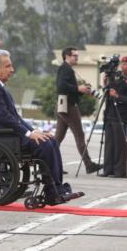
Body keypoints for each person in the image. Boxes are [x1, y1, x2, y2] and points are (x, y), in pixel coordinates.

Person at [0, 49, 81, 204]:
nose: (12, 70)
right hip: (0, 136)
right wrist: (28, 134)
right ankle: (52, 191)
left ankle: (56, 188)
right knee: (44, 144)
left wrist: (33, 131)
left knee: (50, 140)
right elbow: (3, 117)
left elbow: (15, 118)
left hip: (9, 134)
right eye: (8, 66)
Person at [55, 47, 101, 175]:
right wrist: (78, 88)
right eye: (74, 55)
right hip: (68, 106)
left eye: (77, 55)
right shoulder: (65, 69)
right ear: (67, 56)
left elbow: (69, 90)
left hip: (63, 105)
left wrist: (82, 91)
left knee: (57, 138)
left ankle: (51, 165)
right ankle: (89, 164)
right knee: (80, 136)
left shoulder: (66, 68)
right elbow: (61, 87)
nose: (77, 57)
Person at [100, 56, 127, 178]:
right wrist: (105, 83)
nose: (124, 67)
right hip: (110, 113)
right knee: (109, 143)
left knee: (120, 144)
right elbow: (107, 93)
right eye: (123, 64)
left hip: (121, 115)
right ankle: (108, 170)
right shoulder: (116, 77)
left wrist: (117, 96)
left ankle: (119, 172)